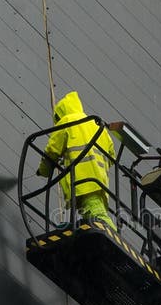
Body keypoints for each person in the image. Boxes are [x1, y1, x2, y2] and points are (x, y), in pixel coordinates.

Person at [37, 91, 116, 228]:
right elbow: (111, 156)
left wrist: (44, 170)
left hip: (82, 181)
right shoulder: (96, 124)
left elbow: (52, 150)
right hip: (100, 181)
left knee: (97, 216)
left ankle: (110, 233)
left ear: (60, 113)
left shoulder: (66, 122)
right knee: (93, 212)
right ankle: (107, 232)